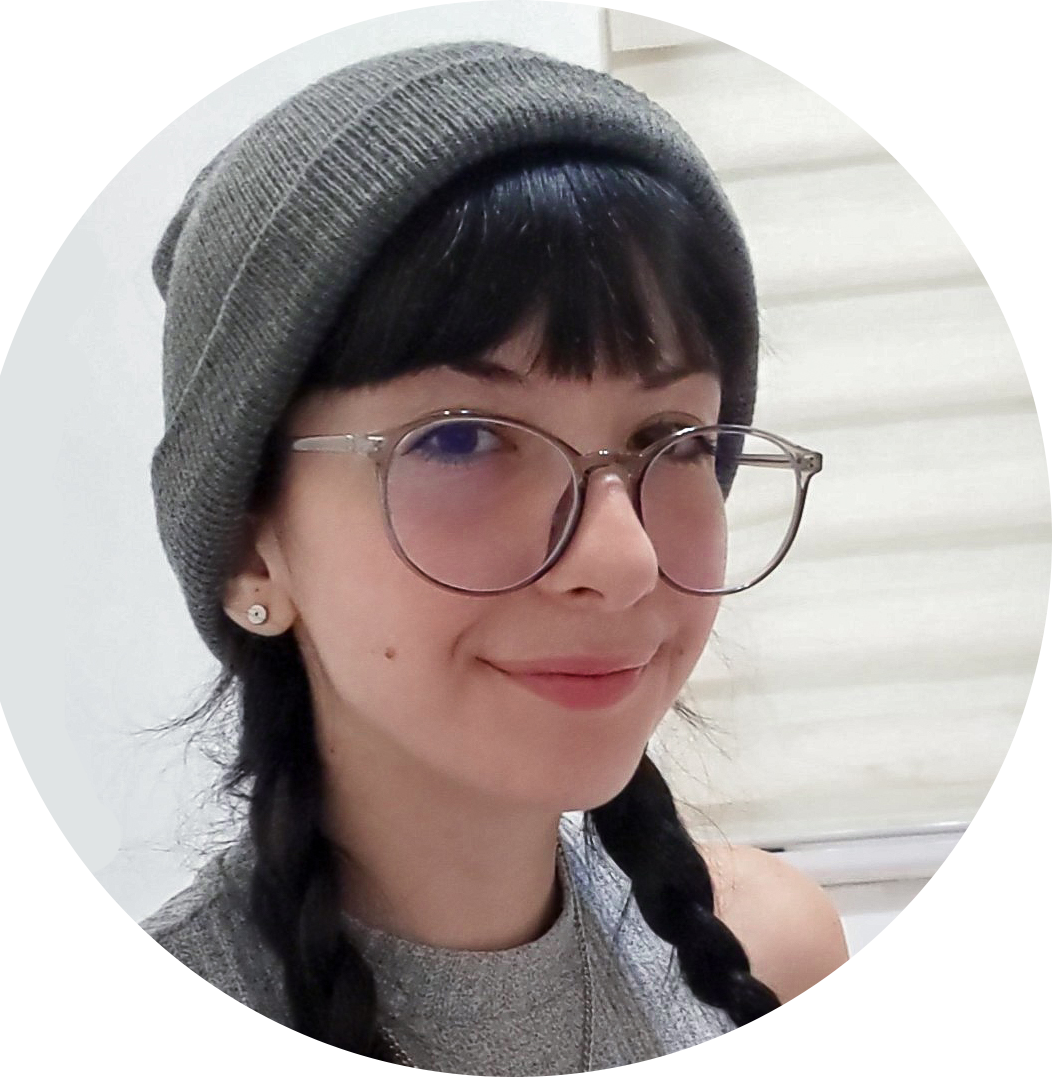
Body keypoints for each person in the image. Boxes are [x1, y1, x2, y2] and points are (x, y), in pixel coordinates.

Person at [46, 39, 869, 1077]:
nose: (622, 557)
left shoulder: (771, 960)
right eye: (464, 437)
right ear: (252, 545)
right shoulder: (114, 1056)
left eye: (673, 439)